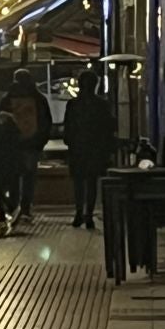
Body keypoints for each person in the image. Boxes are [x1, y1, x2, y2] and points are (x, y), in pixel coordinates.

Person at [62, 68, 117, 229]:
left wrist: (69, 141)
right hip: (95, 149)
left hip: (77, 148)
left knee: (78, 182)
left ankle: (79, 212)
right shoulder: (102, 105)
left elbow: (68, 126)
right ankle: (89, 215)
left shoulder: (72, 104)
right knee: (92, 182)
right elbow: (108, 127)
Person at [0, 68, 53, 223]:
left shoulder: (7, 98)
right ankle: (26, 207)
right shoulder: (39, 98)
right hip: (32, 144)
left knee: (13, 175)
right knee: (29, 176)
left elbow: (0, 122)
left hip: (13, 144)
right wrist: (41, 141)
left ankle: (13, 205)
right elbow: (46, 122)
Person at [0, 110, 24, 229]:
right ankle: (12, 209)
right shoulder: (16, 132)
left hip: (3, 165)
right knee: (9, 190)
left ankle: (7, 213)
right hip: (15, 166)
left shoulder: (3, 133)